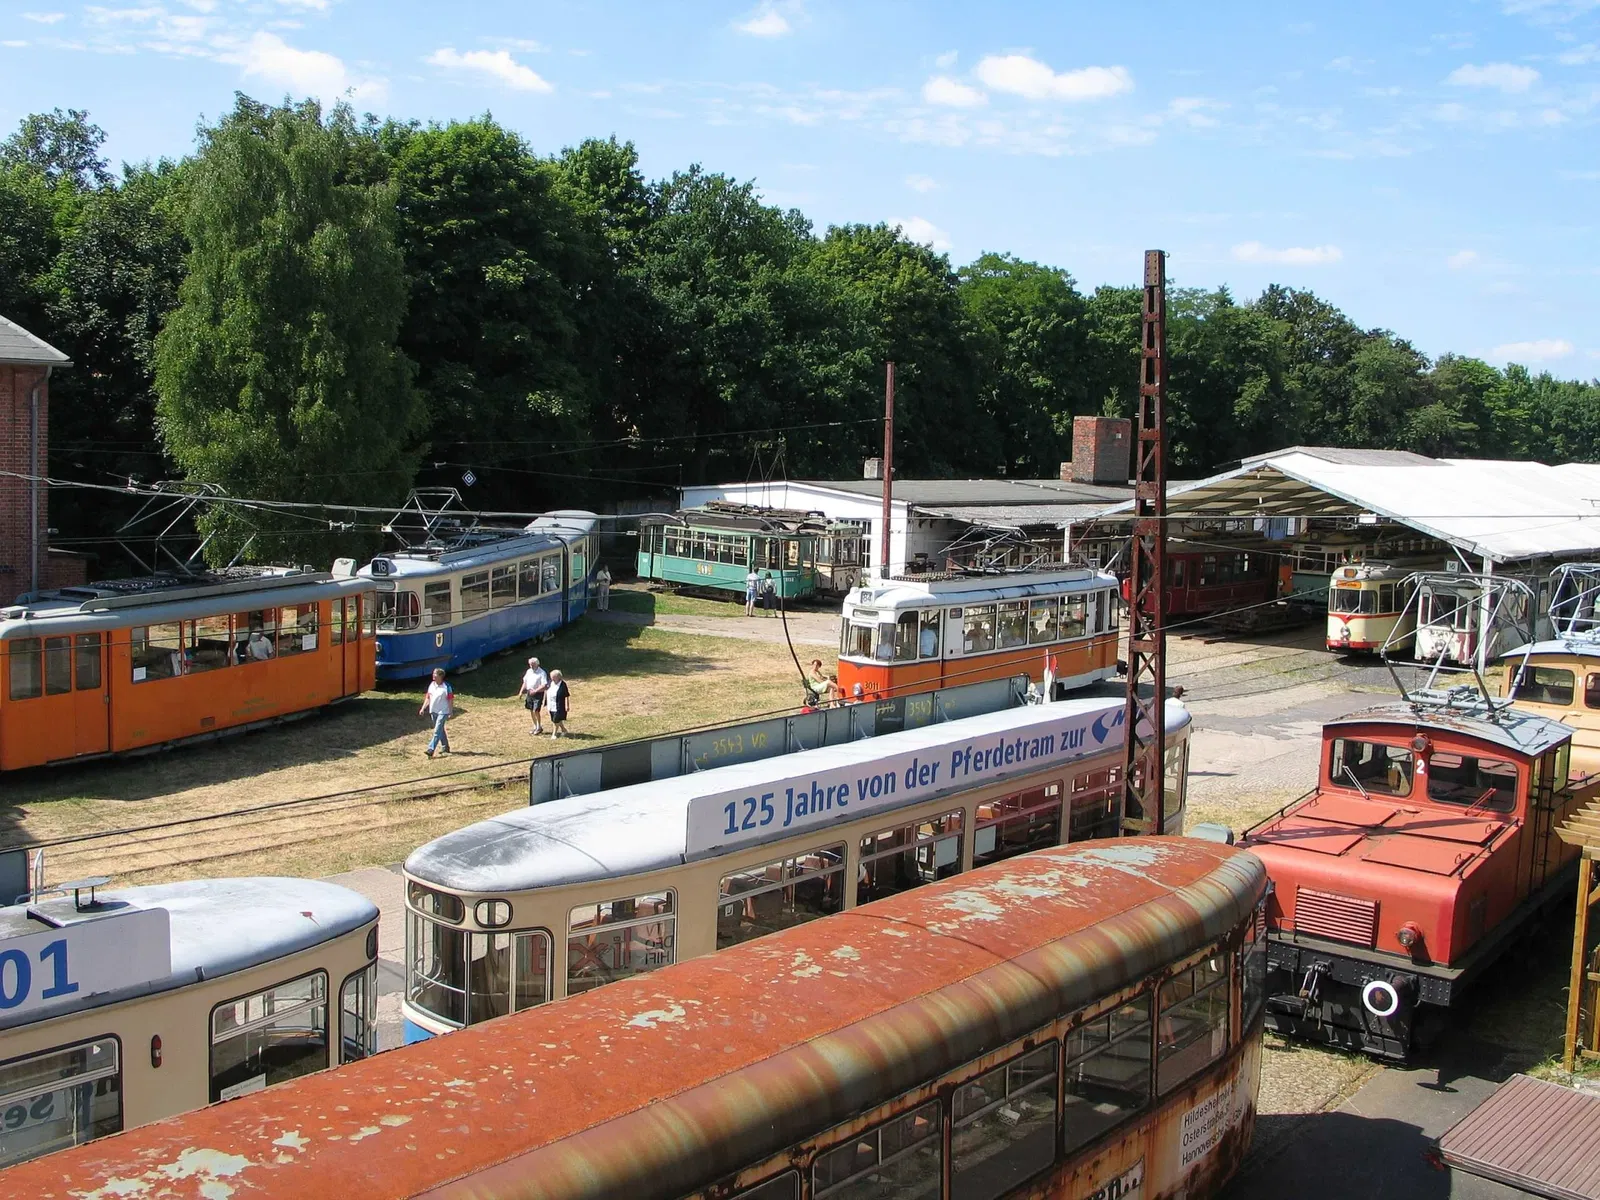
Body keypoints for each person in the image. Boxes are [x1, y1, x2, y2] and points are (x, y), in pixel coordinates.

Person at [420, 668, 454, 758]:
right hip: (433, 711)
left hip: (443, 711)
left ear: (440, 676)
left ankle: (431, 749)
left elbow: (450, 699)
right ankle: (445, 747)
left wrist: (450, 711)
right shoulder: (431, 685)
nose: (433, 675)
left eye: (435, 674)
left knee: (437, 730)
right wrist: (423, 708)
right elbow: (428, 697)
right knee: (440, 730)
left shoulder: (446, 687)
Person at [515, 656, 549, 735]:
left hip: (538, 693)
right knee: (531, 709)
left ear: (537, 664)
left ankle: (539, 727)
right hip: (529, 693)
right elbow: (525, 682)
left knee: (536, 710)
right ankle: (535, 726)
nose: (531, 666)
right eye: (530, 664)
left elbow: (544, 685)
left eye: (533, 664)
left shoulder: (542, 673)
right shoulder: (529, 671)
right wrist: (521, 692)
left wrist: (535, 690)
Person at [547, 669, 571, 738]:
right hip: (551, 705)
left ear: (558, 677)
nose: (551, 678)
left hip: (559, 705)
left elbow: (567, 695)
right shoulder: (551, 683)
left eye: (553, 677)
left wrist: (567, 705)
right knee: (556, 719)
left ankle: (554, 734)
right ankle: (564, 730)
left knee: (556, 720)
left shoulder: (563, 685)